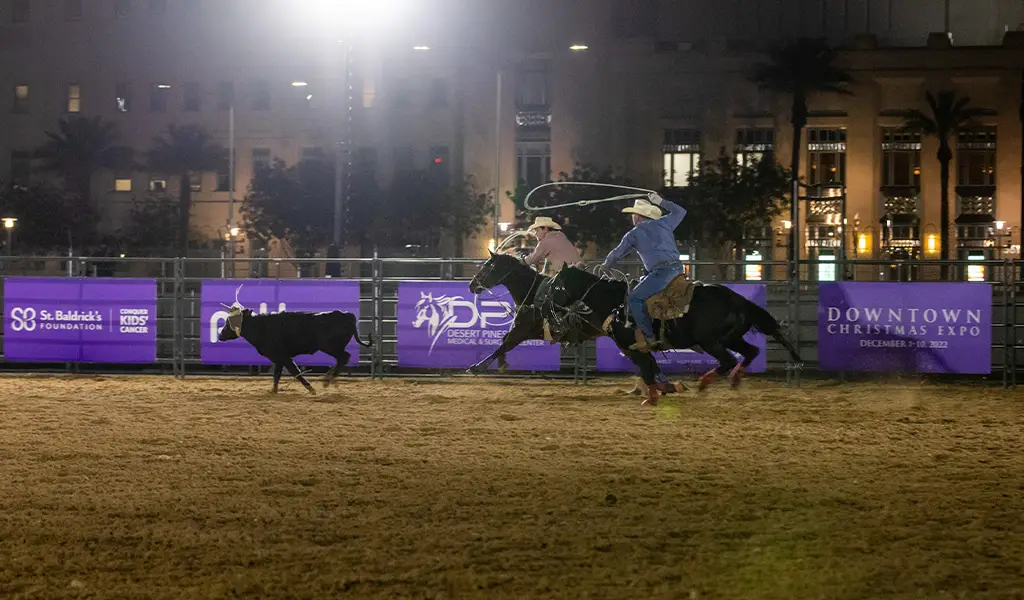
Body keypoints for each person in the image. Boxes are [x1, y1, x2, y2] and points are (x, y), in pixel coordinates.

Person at [599, 192, 686, 353]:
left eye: (633, 214)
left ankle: (649, 338)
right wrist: (661, 201)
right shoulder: (664, 222)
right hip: (677, 269)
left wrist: (606, 265)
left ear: (638, 216)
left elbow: (617, 253)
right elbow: (681, 211)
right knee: (643, 281)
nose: (632, 217)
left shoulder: (634, 234)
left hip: (661, 273)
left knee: (634, 298)